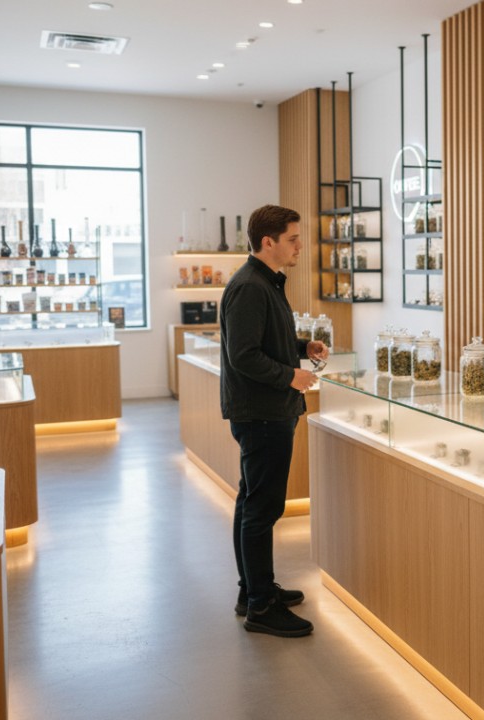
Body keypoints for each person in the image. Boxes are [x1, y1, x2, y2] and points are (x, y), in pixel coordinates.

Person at [220, 204, 328, 638]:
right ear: (269, 242)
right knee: (262, 508)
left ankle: (253, 590)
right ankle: (261, 606)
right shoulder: (251, 286)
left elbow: (263, 339)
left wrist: (302, 347)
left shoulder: (264, 282)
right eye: (293, 238)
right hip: (262, 413)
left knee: (253, 503)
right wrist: (291, 376)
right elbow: (244, 355)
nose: (300, 246)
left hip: (265, 411)